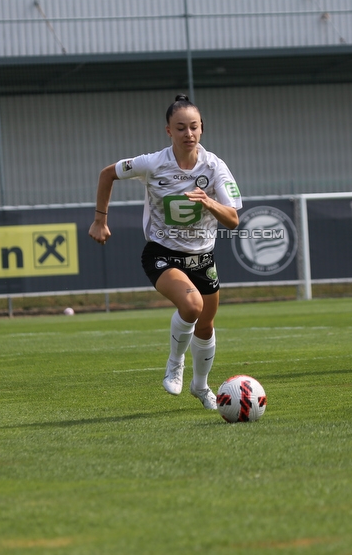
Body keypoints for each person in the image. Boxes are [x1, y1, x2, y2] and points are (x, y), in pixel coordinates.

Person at [88, 95, 242, 410]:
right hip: (162, 253)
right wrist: (100, 220)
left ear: (202, 129)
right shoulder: (152, 163)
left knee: (206, 325)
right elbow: (108, 174)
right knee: (191, 305)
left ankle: (200, 387)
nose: (188, 133)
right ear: (168, 131)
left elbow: (234, 219)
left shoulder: (214, 166)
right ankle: (175, 363)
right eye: (180, 128)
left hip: (203, 258)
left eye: (194, 127)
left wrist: (209, 201)